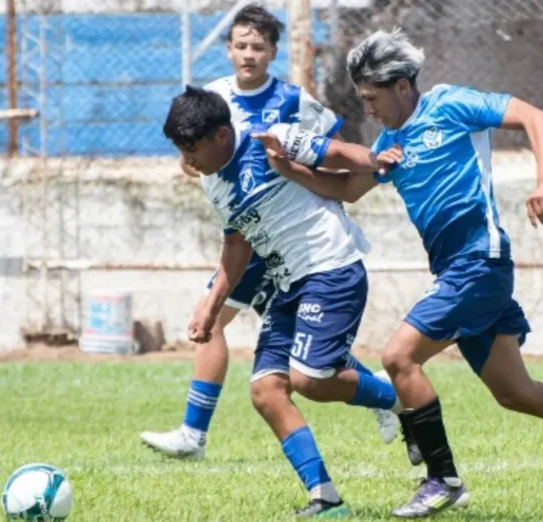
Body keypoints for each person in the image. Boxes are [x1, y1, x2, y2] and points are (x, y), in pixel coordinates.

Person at [253, 27, 543, 519]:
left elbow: (538, 117)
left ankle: (442, 479)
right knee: (516, 394)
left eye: (372, 97)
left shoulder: (450, 105)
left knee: (399, 357)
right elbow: (347, 189)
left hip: (480, 263)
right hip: (457, 273)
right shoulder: (388, 143)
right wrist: (288, 169)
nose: (368, 108)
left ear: (402, 86)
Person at [139, 4, 402, 462]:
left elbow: (329, 148)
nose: (248, 54)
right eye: (240, 45)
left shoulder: (292, 101)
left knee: (293, 356)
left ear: (273, 52)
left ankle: (380, 395)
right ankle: (194, 433)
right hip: (249, 233)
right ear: (228, 49)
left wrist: (336, 186)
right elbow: (195, 160)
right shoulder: (213, 97)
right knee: (241, 332)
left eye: (257, 47)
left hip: (289, 241)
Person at [160, 84, 417, 517]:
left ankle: (397, 401)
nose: (187, 158)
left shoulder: (271, 139)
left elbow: (336, 152)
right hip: (289, 283)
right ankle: (325, 497)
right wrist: (210, 303)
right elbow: (237, 244)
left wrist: (375, 160)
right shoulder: (213, 184)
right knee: (266, 391)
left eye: (192, 147)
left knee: (310, 380)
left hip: (330, 267)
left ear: (221, 136)